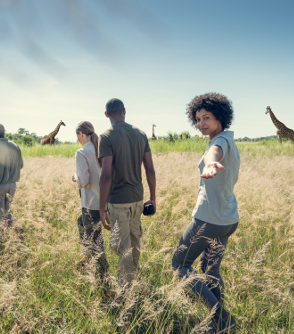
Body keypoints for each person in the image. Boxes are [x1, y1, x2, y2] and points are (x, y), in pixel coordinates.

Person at [171, 93, 240, 333]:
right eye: (198, 119)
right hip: (227, 219)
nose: (201, 123)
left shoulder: (219, 142)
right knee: (210, 271)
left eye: (207, 118)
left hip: (209, 219)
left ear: (220, 118)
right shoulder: (227, 140)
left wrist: (211, 162)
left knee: (180, 263)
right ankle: (219, 325)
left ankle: (221, 317)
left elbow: (215, 153)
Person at [98, 98, 156, 287]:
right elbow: (150, 170)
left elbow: (106, 175)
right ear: (124, 111)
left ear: (106, 114)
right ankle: (133, 279)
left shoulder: (106, 136)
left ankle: (125, 290)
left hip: (117, 200)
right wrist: (153, 198)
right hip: (137, 199)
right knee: (133, 242)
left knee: (122, 246)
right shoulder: (141, 134)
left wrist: (101, 208)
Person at [71, 121, 109, 278]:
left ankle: (104, 277)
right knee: (81, 222)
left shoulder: (81, 153)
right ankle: (86, 256)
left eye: (77, 136)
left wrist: (75, 178)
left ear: (81, 134)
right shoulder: (101, 150)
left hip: (91, 204)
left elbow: (84, 181)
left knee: (96, 244)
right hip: (104, 202)